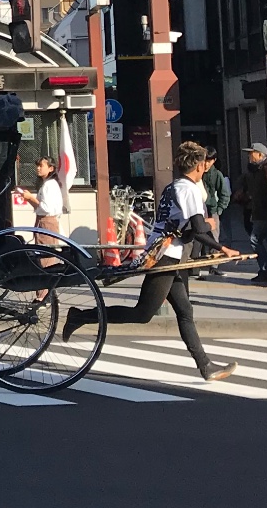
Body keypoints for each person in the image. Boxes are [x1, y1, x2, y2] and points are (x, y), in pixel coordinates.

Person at [65, 140, 237, 380]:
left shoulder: (174, 186)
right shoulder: (189, 189)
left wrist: (216, 246)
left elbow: (185, 230)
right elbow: (198, 228)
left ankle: (205, 366)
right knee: (143, 313)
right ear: (198, 165)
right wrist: (219, 243)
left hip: (170, 255)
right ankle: (81, 316)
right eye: (204, 163)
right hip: (164, 256)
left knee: (185, 310)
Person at [238, 144, 267, 285]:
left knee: (255, 240)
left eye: (252, 153)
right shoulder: (253, 171)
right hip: (258, 212)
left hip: (265, 213)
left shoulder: (266, 169)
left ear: (260, 155)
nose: (249, 156)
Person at [33, 156, 64, 237]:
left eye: (41, 166)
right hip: (43, 221)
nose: (38, 168)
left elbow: (46, 208)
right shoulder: (46, 184)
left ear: (51, 168)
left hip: (47, 222)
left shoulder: (49, 184)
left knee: (45, 247)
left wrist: (30, 198)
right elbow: (38, 206)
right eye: (37, 166)